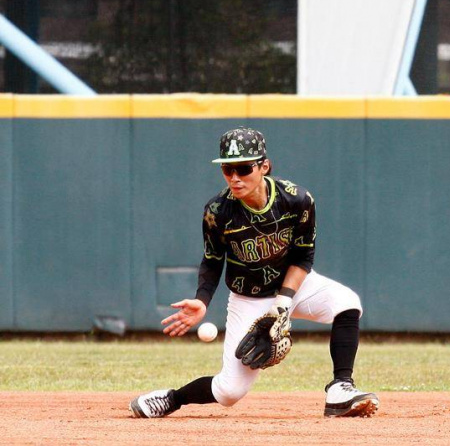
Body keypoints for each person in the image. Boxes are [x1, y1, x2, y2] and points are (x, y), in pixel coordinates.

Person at [129, 127, 379, 418]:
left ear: (264, 166)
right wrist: (202, 300)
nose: (235, 177)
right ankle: (172, 398)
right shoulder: (217, 211)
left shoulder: (297, 200)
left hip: (294, 286)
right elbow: (212, 260)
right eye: (228, 169)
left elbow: (303, 256)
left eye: (244, 168)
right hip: (249, 298)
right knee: (229, 392)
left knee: (347, 303)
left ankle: (340, 388)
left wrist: (283, 303)